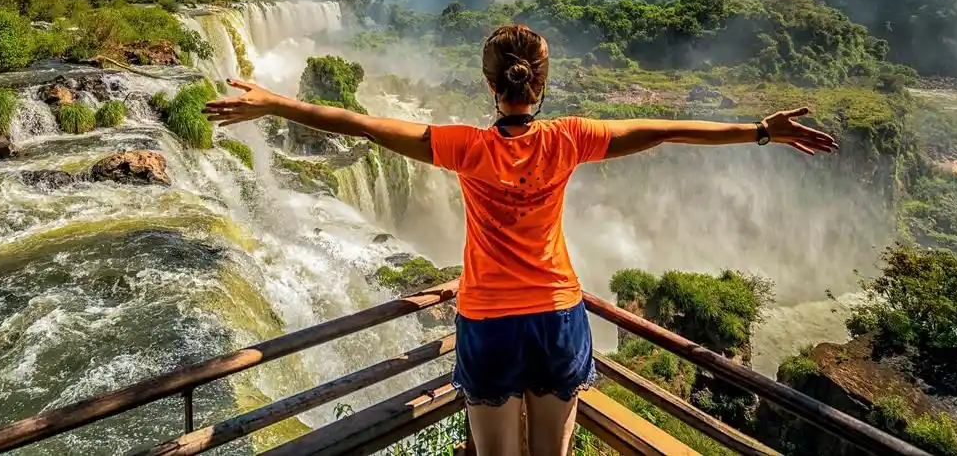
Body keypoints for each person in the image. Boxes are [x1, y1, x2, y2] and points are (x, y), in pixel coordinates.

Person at [203, 23, 837, 456]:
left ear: (490, 86)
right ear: (541, 84)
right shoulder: (569, 138)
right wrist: (759, 131)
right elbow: (667, 131)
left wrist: (276, 105)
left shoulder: (464, 146)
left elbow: (364, 126)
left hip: (489, 318)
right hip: (560, 313)